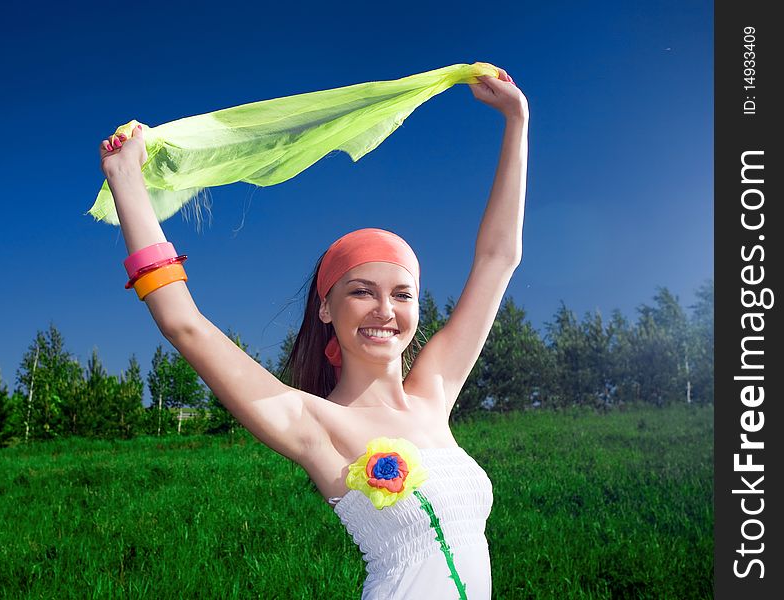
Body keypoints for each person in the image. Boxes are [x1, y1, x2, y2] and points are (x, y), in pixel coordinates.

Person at [99, 66, 527, 599]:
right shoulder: (314, 422)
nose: (384, 310)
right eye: (361, 291)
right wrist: (125, 179)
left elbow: (498, 258)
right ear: (326, 309)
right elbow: (183, 324)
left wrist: (516, 121)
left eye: (402, 294)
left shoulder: (434, 393)